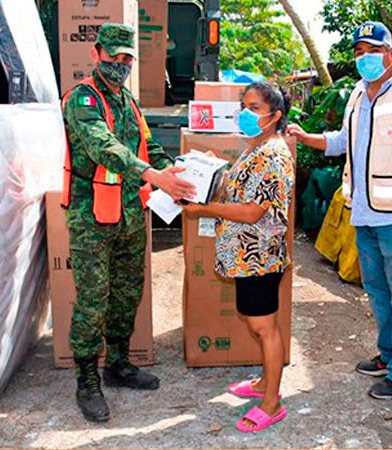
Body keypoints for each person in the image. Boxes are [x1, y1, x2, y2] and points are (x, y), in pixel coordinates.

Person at [287, 21, 392, 399]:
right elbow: (343, 142)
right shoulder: (358, 94)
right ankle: (388, 354)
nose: (365, 58)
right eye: (359, 52)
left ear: (391, 53)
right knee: (377, 291)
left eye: (373, 51)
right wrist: (305, 136)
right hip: (364, 213)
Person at [61, 23, 196, 422]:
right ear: (97, 54)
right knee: (93, 299)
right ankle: (87, 380)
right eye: (113, 57)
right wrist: (153, 176)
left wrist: (176, 172)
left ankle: (117, 364)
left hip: (130, 213)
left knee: (126, 293)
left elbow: (147, 146)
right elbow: (103, 147)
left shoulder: (129, 101)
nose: (120, 65)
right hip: (91, 216)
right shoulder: (82, 99)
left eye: (126, 59)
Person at [183, 82, 295, 432]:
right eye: (243, 106)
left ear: (275, 115)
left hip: (260, 256)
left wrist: (204, 209)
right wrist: (212, 168)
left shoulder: (273, 154)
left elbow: (252, 211)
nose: (246, 113)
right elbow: (240, 187)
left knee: (264, 328)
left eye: (255, 108)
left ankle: (272, 402)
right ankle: (264, 382)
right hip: (245, 256)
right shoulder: (255, 147)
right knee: (252, 319)